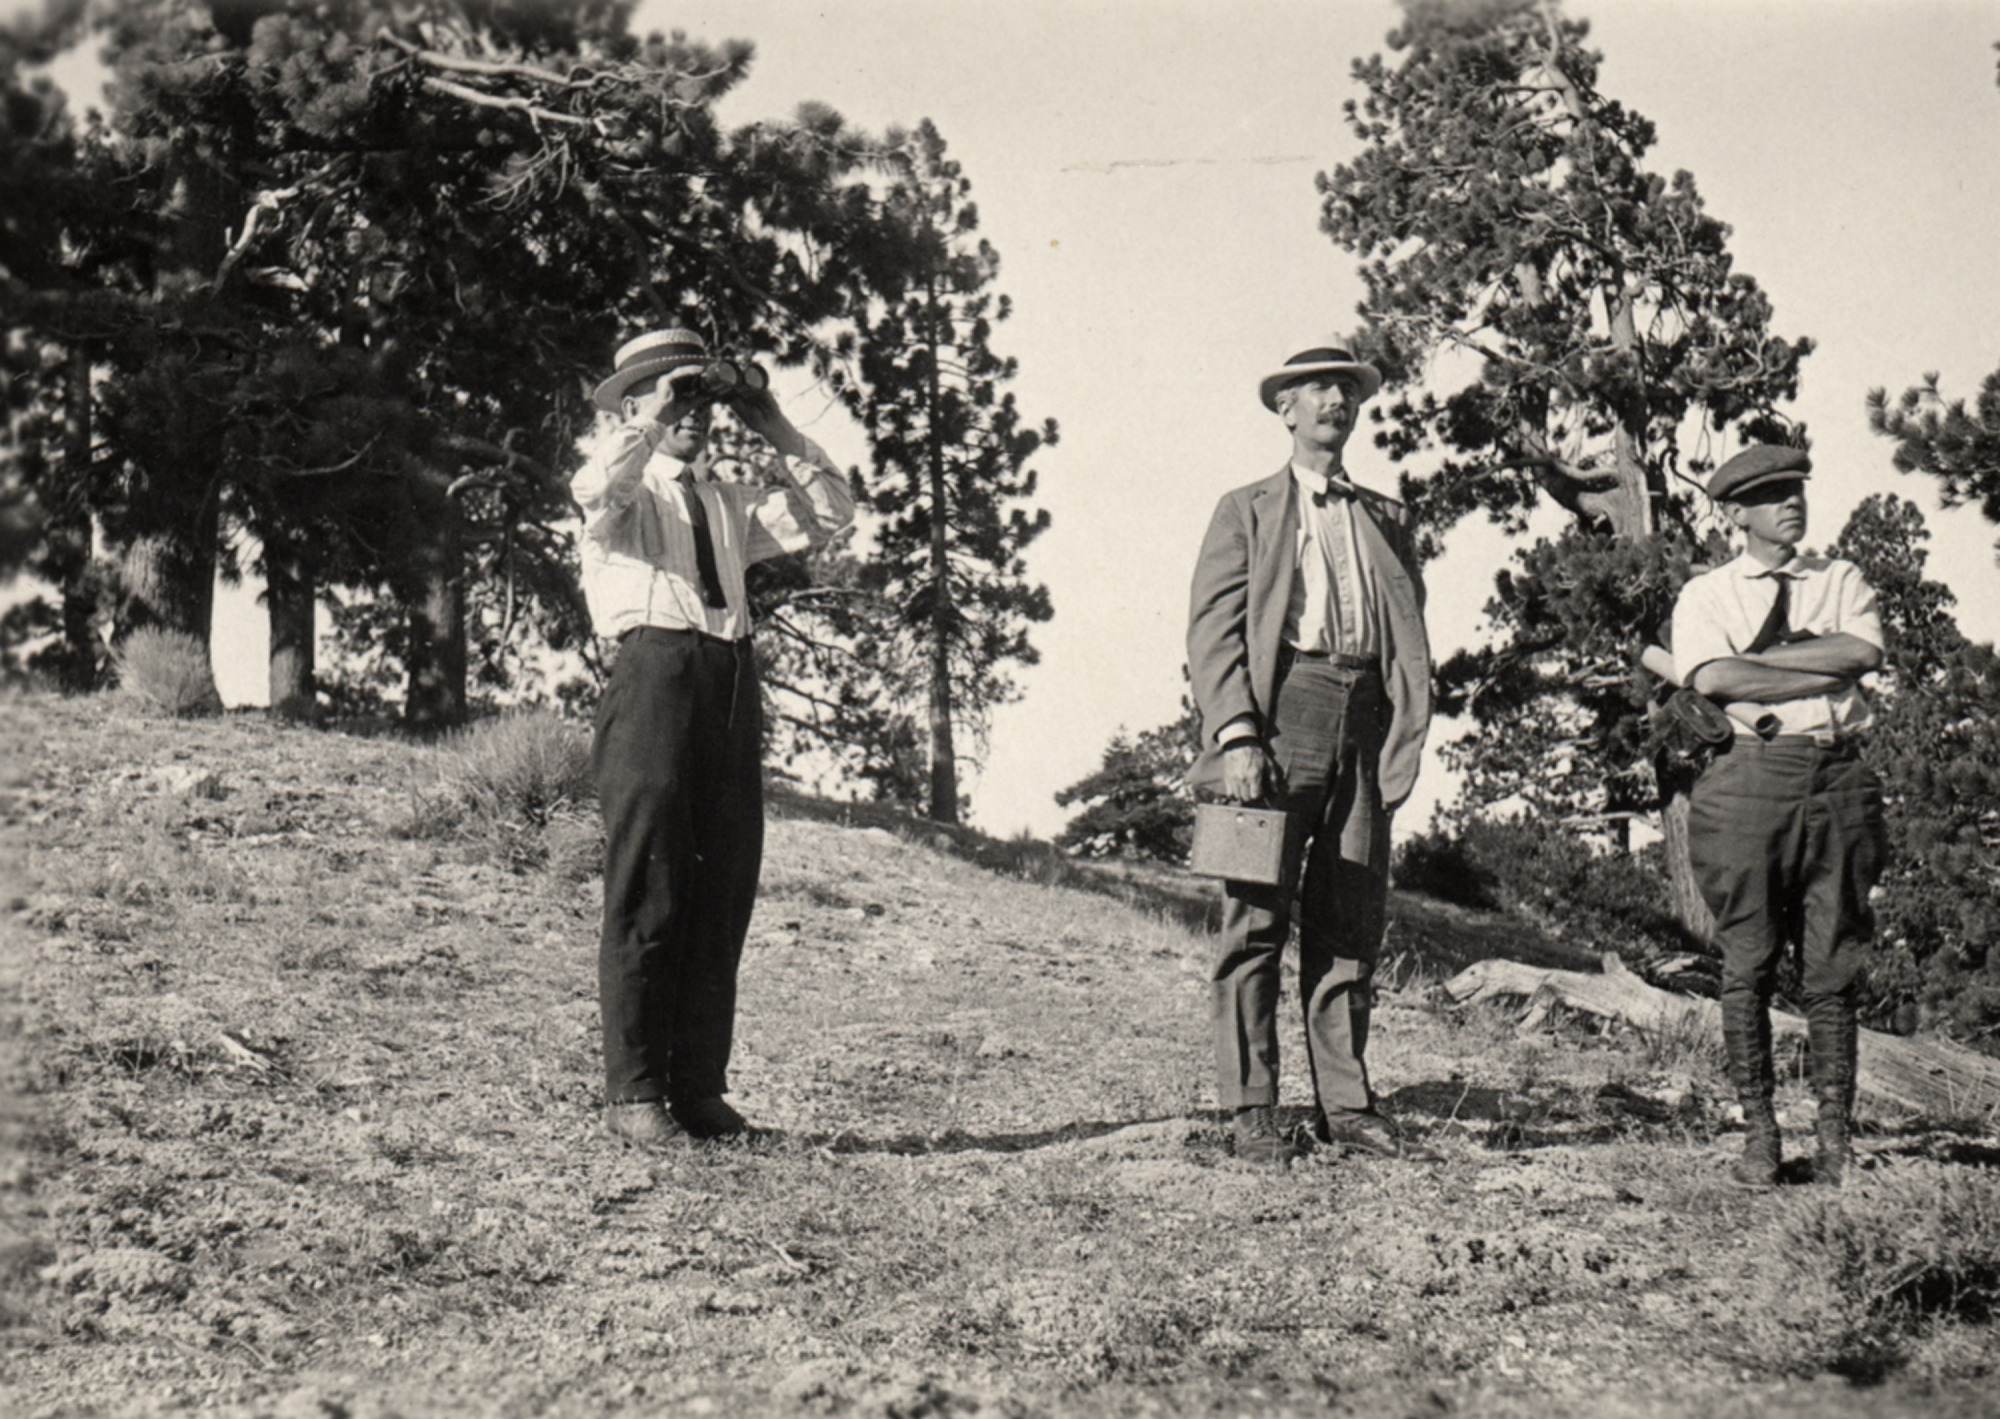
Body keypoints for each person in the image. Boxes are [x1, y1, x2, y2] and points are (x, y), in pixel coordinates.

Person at [572, 326, 855, 1148]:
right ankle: (634, 1091)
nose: (694, 411)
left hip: (728, 678)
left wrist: (773, 422)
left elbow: (832, 512)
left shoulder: (726, 503)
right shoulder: (623, 494)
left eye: (703, 396)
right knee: (649, 882)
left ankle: (698, 1087)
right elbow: (597, 487)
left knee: (722, 883)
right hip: (652, 674)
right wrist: (653, 417)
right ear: (635, 406)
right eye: (676, 393)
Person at [1186, 341, 1433, 1165]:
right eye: (1318, 389)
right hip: (1278, 718)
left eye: (1347, 390)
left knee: (1349, 916)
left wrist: (1399, 734)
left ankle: (1347, 1105)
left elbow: (1409, 634)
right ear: (1284, 409)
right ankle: (1251, 1107)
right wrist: (1238, 733)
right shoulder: (1245, 510)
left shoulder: (1387, 519)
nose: (1336, 400)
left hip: (1364, 721)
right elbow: (1213, 632)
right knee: (1255, 918)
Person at [1672, 444, 1886, 1187]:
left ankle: (1834, 1142)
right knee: (1749, 960)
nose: (1790, 502)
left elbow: (1861, 653)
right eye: (1770, 495)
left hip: (1839, 777)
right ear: (1735, 513)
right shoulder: (1708, 594)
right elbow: (1712, 677)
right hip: (1747, 780)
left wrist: (1757, 671)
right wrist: (1816, 662)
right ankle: (1760, 1136)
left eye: (1796, 489)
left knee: (1833, 963)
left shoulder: (1840, 579)